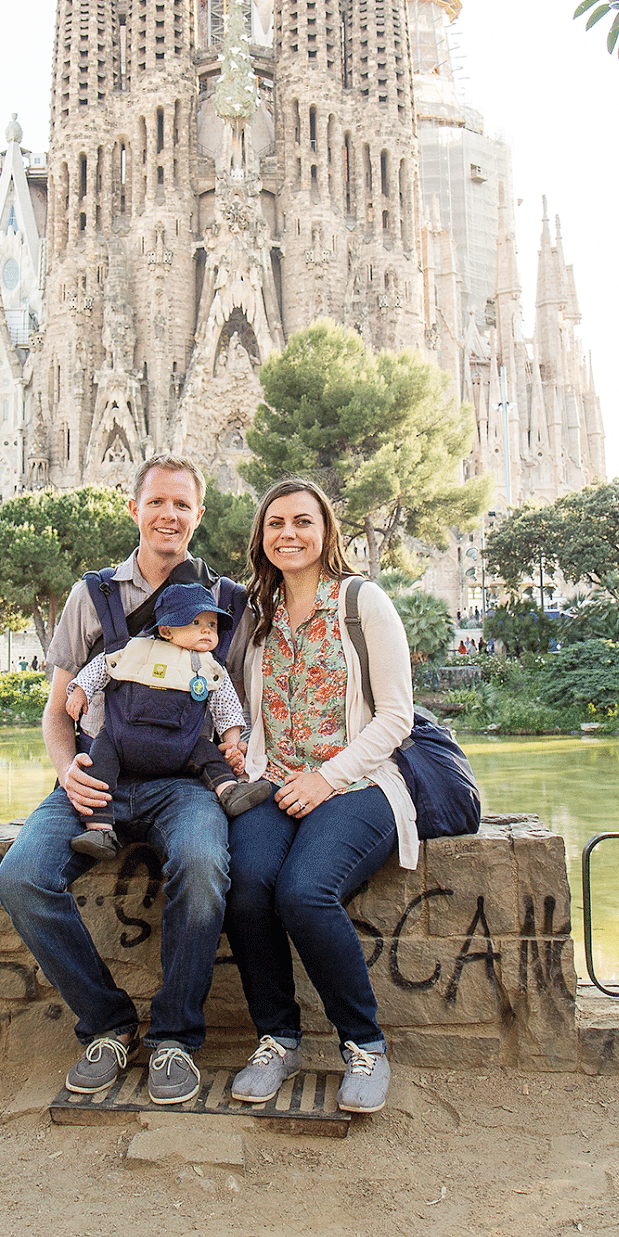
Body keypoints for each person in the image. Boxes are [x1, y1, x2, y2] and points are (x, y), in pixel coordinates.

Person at [0, 456, 252, 1108]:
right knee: (21, 877)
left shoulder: (228, 603)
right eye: (157, 502)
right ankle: (108, 1027)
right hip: (97, 775)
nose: (169, 515)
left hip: (183, 781)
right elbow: (58, 710)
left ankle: (173, 1038)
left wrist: (237, 749)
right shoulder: (94, 596)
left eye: (182, 505)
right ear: (134, 508)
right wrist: (66, 774)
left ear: (199, 515)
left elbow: (242, 708)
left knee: (200, 866)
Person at [224, 478, 419, 1117]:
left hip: (357, 782)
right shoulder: (257, 618)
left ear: (326, 531)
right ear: (262, 539)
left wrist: (327, 776)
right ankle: (277, 1038)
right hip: (275, 781)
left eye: (303, 522)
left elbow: (395, 717)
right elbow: (240, 706)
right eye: (276, 523)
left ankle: (363, 1044)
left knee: (304, 892)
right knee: (247, 885)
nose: (289, 533)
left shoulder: (363, 604)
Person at [64, 581, 271, 859]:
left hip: (180, 748)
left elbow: (227, 709)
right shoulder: (134, 650)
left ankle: (229, 792)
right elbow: (101, 667)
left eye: (212, 623)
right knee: (98, 763)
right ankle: (100, 829)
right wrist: (80, 691)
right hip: (121, 743)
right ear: (166, 630)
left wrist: (232, 744)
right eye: (196, 622)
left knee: (207, 753)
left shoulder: (208, 667)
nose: (207, 629)